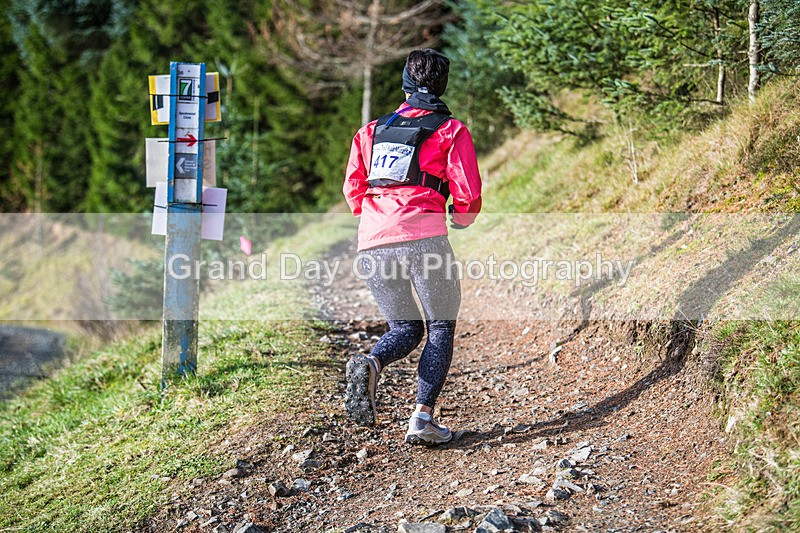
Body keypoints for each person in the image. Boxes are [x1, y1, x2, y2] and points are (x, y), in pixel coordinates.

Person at [342, 48, 482, 446]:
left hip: (374, 243)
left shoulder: (370, 131)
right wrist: (461, 217)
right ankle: (422, 418)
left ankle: (372, 361)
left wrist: (378, 216)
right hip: (425, 240)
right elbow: (468, 193)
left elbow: (353, 191)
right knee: (440, 326)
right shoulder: (450, 130)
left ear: (406, 83)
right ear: (442, 84)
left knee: (404, 328)